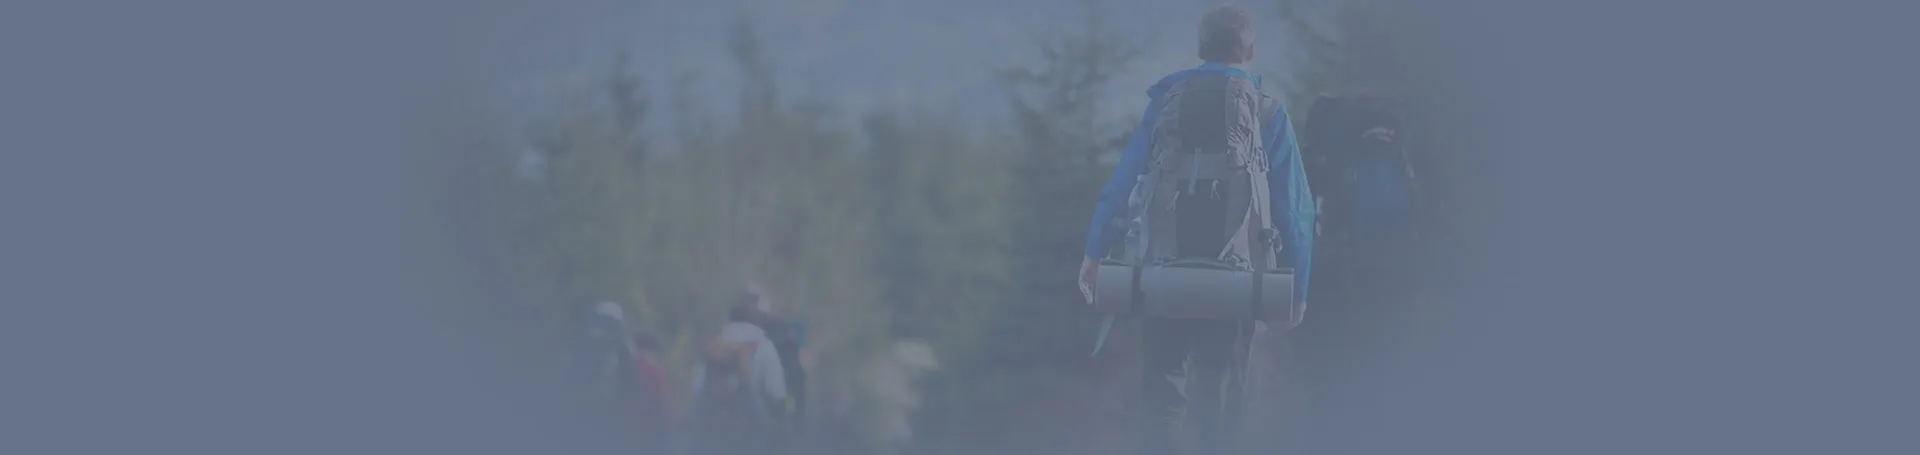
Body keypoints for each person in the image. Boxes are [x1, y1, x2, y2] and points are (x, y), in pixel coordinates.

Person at [1075, 4, 1316, 455]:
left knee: (1162, 395)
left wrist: (1094, 253)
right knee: (1221, 401)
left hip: (1163, 275)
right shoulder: (1267, 113)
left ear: (1201, 46)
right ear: (1249, 50)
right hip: (1236, 283)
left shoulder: (1166, 103)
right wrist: (1297, 288)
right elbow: (1296, 209)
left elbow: (1121, 185)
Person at [689, 293, 790, 454]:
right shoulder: (763, 343)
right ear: (756, 319)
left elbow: (698, 386)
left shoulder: (719, 340)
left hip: (714, 415)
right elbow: (775, 389)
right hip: (747, 415)